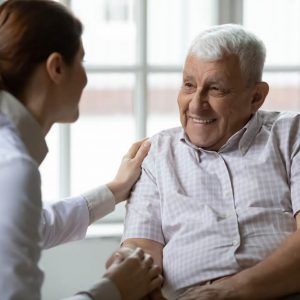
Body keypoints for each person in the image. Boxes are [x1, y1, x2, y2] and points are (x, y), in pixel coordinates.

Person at [114, 24, 300, 299]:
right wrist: (125, 263)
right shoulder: (156, 154)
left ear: (256, 97)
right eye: (189, 85)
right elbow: (142, 250)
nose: (195, 104)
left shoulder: (291, 134)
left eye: (216, 90)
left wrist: (232, 291)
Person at [0, 1, 163, 300]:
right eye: (82, 61)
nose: (87, 79)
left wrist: (114, 190)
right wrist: (113, 290)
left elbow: (35, 226)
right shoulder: (13, 165)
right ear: (57, 67)